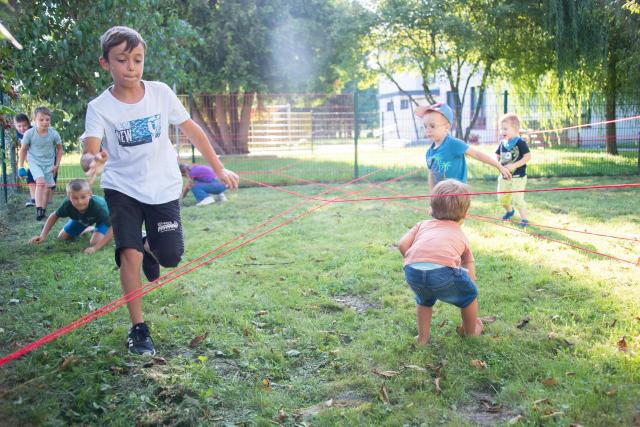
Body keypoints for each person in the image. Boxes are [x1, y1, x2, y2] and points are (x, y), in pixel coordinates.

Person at [80, 26, 240, 356]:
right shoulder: (99, 107)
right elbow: (90, 148)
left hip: (163, 186)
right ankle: (139, 329)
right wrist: (92, 160)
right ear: (105, 63)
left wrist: (219, 168)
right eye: (122, 60)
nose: (131, 67)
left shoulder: (160, 93)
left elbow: (193, 131)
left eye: (137, 59)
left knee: (170, 256)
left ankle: (148, 246)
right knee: (129, 255)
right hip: (121, 188)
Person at [398, 179, 482, 345]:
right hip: (444, 274)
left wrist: (415, 260)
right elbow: (469, 264)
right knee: (470, 296)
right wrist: (469, 285)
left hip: (412, 271)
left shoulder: (421, 225)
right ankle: (471, 332)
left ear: (431, 208)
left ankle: (422, 339)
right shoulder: (460, 233)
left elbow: (402, 245)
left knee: (424, 300)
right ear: (465, 214)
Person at [416, 103, 512, 189]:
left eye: (432, 126)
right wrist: (433, 200)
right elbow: (432, 176)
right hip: (441, 197)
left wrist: (499, 166)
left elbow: (476, 154)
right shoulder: (429, 152)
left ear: (446, 127)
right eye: (425, 126)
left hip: (457, 194)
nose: (427, 130)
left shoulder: (453, 144)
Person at [28, 179, 113, 254]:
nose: (79, 201)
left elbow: (113, 227)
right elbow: (54, 216)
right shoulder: (67, 205)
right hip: (82, 219)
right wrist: (42, 236)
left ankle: (94, 230)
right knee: (61, 238)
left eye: (83, 197)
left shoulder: (99, 206)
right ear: (69, 197)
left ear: (90, 194)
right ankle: (89, 228)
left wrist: (95, 248)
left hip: (102, 219)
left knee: (95, 242)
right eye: (75, 198)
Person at [18, 107, 63, 220]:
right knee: (40, 182)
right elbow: (23, 150)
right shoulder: (29, 133)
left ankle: (43, 210)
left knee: (47, 188)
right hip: (34, 162)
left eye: (47, 119)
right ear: (35, 120)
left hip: (48, 163)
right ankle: (38, 209)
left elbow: (59, 149)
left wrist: (56, 165)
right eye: (41, 120)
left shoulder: (54, 133)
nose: (45, 122)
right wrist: (21, 166)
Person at [495, 113, 531, 227]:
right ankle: (510, 211)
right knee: (502, 198)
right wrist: (496, 163)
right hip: (504, 177)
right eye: (501, 129)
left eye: (505, 129)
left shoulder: (520, 142)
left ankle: (524, 219)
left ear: (515, 129)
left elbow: (527, 157)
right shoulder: (502, 143)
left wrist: (514, 165)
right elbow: (497, 155)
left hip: (518, 177)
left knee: (517, 199)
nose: (502, 131)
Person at [13, 113, 36, 207]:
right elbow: (23, 147)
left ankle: (41, 199)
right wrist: (26, 158)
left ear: (29, 124)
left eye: (24, 126)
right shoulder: (18, 133)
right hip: (31, 159)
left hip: (40, 158)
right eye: (19, 126)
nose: (22, 128)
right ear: (15, 125)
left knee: (40, 181)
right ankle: (34, 199)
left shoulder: (34, 131)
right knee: (30, 179)